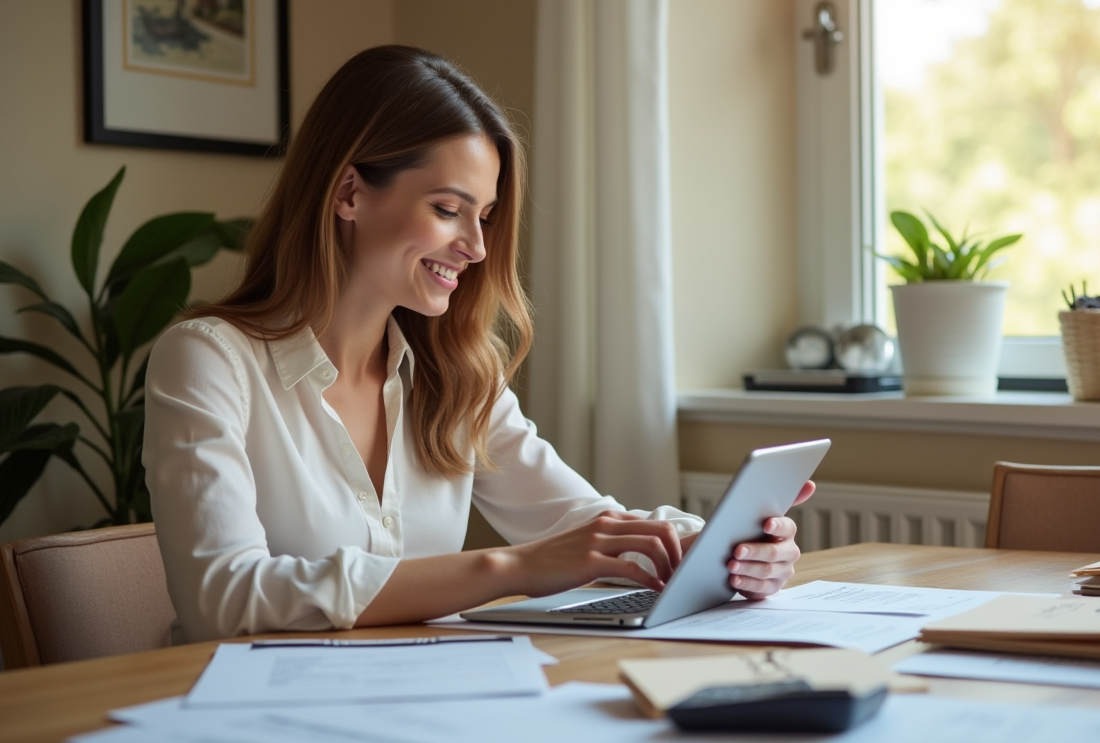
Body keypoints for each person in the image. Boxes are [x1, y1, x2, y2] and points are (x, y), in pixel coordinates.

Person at [143, 45, 816, 644]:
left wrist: (725, 548)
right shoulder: (209, 360)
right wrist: (509, 568)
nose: (476, 247)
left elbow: (586, 525)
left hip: (423, 700)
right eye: (447, 209)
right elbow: (221, 600)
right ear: (349, 193)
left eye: (485, 216)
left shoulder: (457, 376)